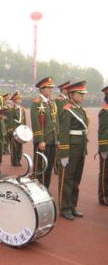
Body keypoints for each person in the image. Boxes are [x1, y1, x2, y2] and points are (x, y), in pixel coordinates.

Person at [57, 81, 89, 220]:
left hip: (80, 148)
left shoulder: (80, 110)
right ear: (71, 94)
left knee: (76, 179)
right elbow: (63, 133)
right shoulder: (67, 110)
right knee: (67, 179)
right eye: (79, 94)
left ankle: (72, 206)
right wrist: (64, 154)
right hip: (70, 150)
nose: (82, 96)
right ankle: (64, 208)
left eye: (83, 94)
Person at [31, 77, 59, 189]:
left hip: (52, 140)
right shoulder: (37, 103)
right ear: (41, 89)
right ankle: (37, 188)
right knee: (40, 166)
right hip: (43, 141)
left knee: (49, 167)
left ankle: (45, 188)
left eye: (51, 88)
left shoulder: (52, 103)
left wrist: (57, 138)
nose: (51, 90)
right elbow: (35, 122)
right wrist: (40, 140)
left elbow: (55, 122)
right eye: (48, 88)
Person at [6, 92, 26, 166]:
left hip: (21, 131)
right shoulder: (11, 109)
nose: (19, 100)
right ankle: (14, 161)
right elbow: (10, 120)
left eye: (20, 99)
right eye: (17, 99)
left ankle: (19, 160)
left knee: (20, 147)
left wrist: (25, 129)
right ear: (14, 100)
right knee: (14, 147)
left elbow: (24, 120)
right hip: (14, 130)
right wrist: (11, 130)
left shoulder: (22, 109)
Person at [98, 85, 108, 206]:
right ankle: (104, 196)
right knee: (105, 173)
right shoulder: (105, 112)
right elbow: (102, 131)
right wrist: (104, 149)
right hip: (106, 147)